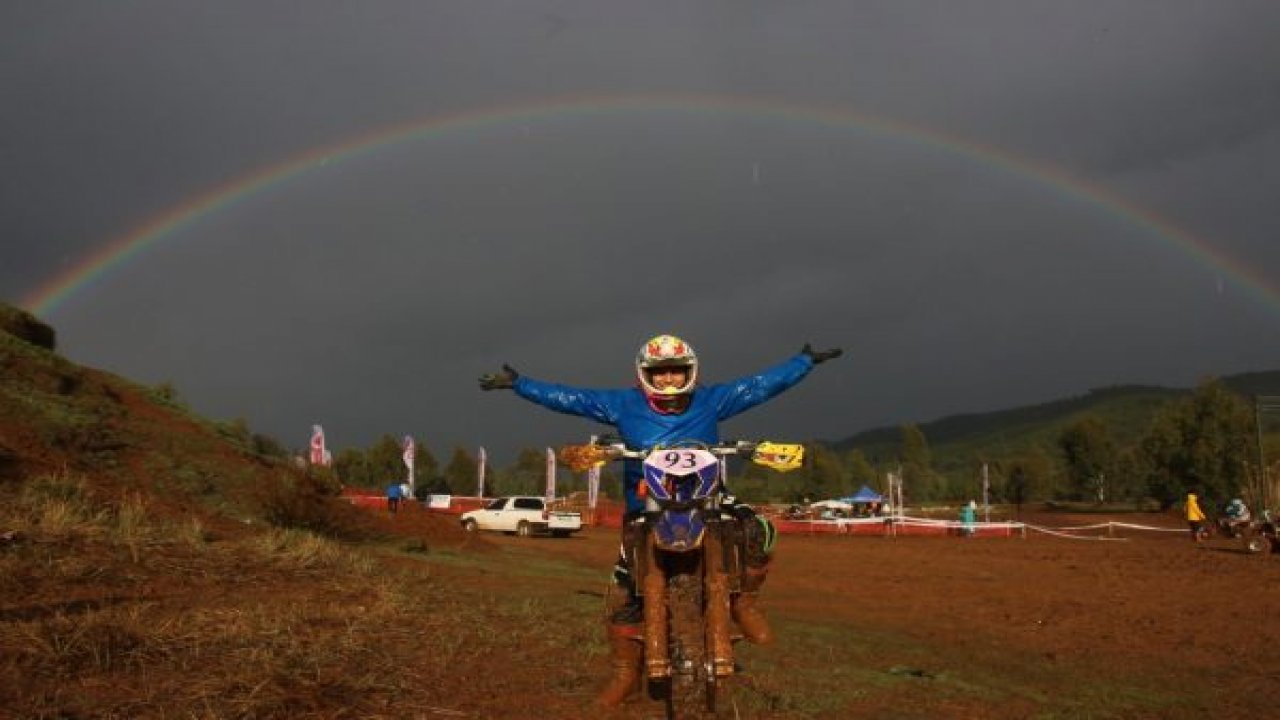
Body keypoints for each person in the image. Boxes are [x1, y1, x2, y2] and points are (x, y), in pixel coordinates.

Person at [479, 334, 841, 706]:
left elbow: (759, 386)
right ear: (644, 373)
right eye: (661, 371)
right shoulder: (622, 403)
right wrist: (520, 385)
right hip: (647, 506)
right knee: (622, 587)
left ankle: (744, 602)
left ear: (691, 371)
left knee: (759, 530)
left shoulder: (711, 400)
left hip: (708, 496)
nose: (669, 379)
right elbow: (572, 398)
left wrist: (803, 363)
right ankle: (625, 674)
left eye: (677, 371)